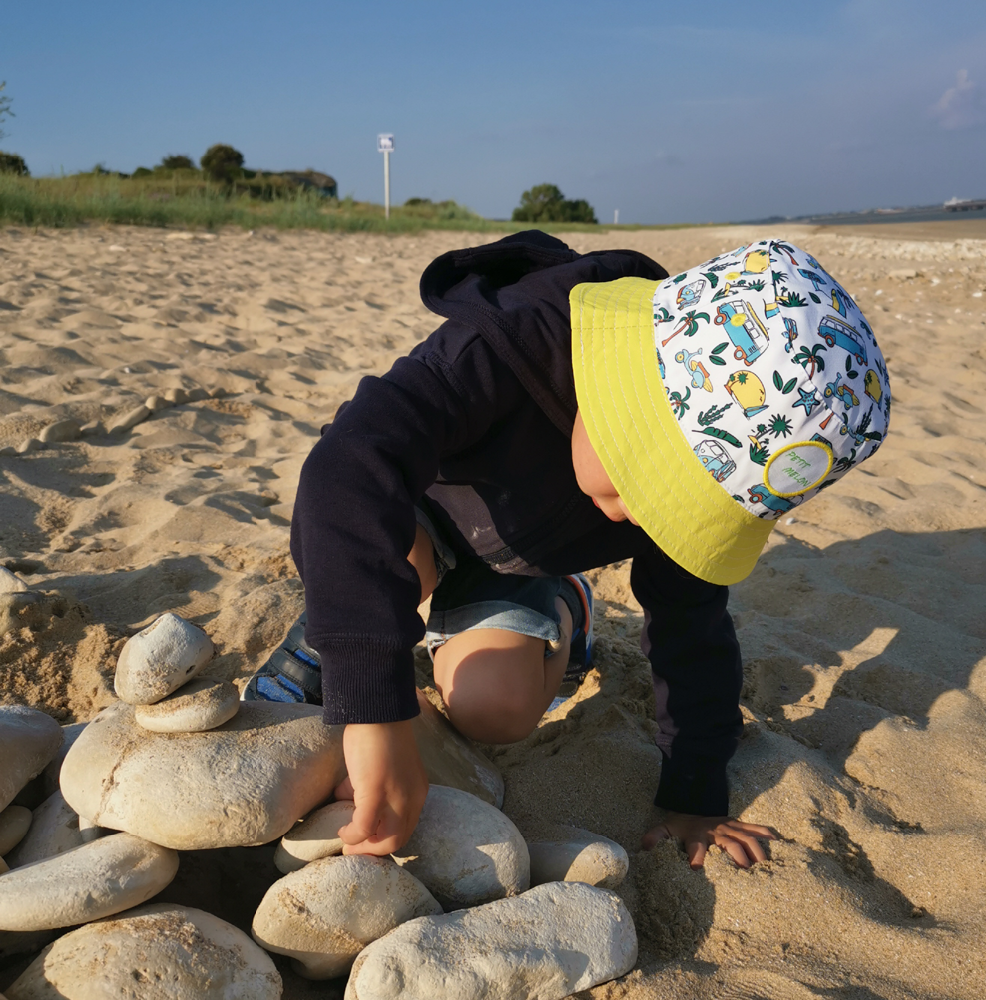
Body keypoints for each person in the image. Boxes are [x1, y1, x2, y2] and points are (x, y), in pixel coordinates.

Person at [243, 232, 890, 870]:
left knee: (494, 710)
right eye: (656, 483)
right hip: (418, 515)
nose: (649, 518)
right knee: (380, 558)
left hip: (523, 564)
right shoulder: (509, 342)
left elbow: (692, 629)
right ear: (625, 386)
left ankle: (569, 610)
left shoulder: (670, 498)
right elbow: (347, 466)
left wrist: (696, 795)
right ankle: (324, 637)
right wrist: (375, 713)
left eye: (686, 511)